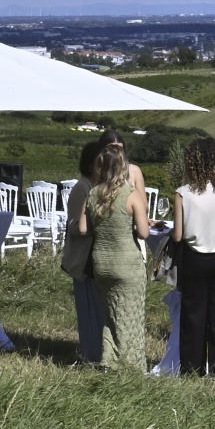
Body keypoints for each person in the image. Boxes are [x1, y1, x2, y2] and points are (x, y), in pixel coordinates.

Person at [169, 135, 215, 378]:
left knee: (193, 315)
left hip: (195, 258)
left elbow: (178, 235)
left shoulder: (182, 193)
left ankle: (192, 370)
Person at [77, 138, 150, 371]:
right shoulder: (130, 194)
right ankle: (132, 365)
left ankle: (110, 360)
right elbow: (144, 232)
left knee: (110, 316)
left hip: (102, 263)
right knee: (131, 316)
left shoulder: (93, 193)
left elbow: (83, 229)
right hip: (127, 263)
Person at [60, 138, 106, 364]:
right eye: (100, 162)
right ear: (90, 164)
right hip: (83, 260)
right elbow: (74, 225)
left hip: (97, 258)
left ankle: (100, 352)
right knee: (88, 310)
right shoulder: (82, 188)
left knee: (99, 309)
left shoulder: (100, 188)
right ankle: (91, 355)